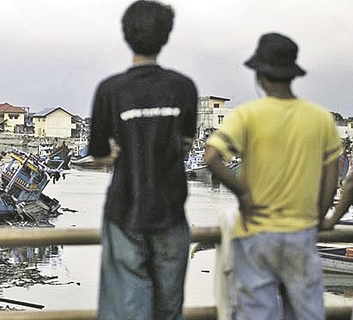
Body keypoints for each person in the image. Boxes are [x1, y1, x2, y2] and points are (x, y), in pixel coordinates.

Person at [204, 32, 342, 320]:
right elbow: (332, 171)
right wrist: (321, 213)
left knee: (258, 313)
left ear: (260, 76)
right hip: (301, 233)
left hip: (256, 232)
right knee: (306, 312)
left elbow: (212, 157)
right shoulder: (320, 118)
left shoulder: (247, 115)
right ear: (292, 75)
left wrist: (243, 193)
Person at [87, 1, 198, 319]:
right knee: (168, 309)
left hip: (125, 212)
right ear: (166, 37)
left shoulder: (110, 90)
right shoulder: (183, 87)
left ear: (126, 35)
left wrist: (115, 150)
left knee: (127, 309)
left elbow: (98, 151)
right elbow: (185, 143)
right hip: (171, 213)